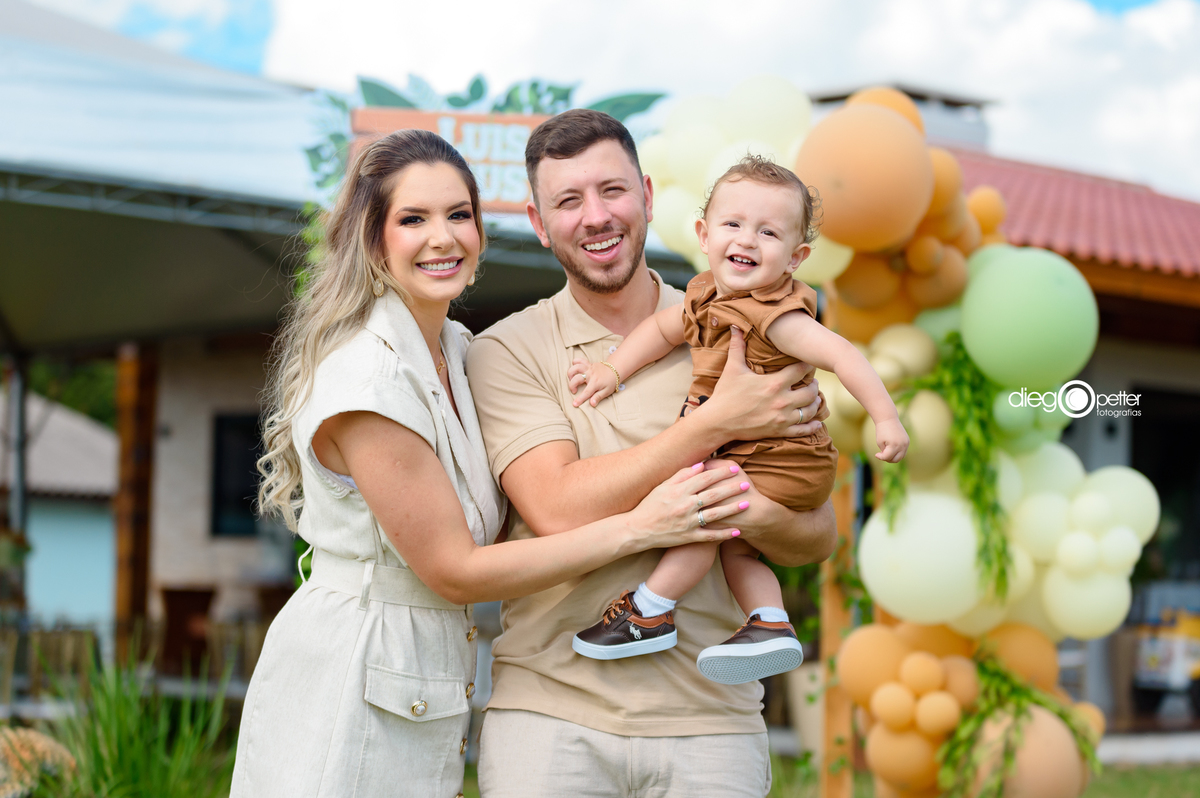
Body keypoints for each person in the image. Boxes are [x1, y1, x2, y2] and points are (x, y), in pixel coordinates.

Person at [230, 129, 749, 798]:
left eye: (459, 214)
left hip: (425, 675)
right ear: (373, 237)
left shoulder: (456, 346)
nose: (442, 237)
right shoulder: (371, 378)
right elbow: (455, 569)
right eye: (412, 219)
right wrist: (644, 527)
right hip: (352, 672)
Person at [465, 110, 838, 797]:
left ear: (646, 195)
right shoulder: (505, 351)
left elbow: (816, 532)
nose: (596, 216)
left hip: (712, 722)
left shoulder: (748, 327)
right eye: (568, 201)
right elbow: (555, 508)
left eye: (612, 191)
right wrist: (714, 426)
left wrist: (746, 510)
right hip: (550, 715)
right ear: (539, 222)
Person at [568, 156, 909, 685]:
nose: (747, 240)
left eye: (768, 232)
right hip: (749, 450)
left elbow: (844, 355)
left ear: (796, 257)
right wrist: (612, 369)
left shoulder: (778, 316)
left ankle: (651, 609)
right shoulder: (707, 294)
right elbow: (661, 332)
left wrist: (885, 419)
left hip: (784, 455)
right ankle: (770, 621)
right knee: (737, 542)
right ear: (704, 235)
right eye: (733, 224)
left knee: (702, 510)